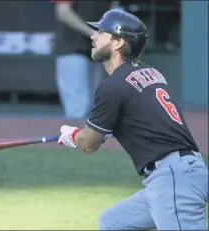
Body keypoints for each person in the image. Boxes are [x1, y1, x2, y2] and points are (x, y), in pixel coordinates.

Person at [57, 9, 208, 230]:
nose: (93, 36)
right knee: (113, 222)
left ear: (117, 43)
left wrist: (74, 136)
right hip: (179, 172)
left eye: (101, 32)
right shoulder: (151, 73)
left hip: (173, 177)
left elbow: (88, 144)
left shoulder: (113, 86)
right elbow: (140, 116)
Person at [53, 0, 113, 118]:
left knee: (94, 107)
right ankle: (73, 136)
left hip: (95, 51)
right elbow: (63, 12)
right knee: (78, 107)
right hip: (71, 49)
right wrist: (92, 32)